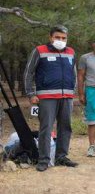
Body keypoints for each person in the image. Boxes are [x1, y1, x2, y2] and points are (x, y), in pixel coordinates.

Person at [24, 25, 78, 171]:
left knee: (65, 127)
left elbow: (73, 74)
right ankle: (43, 159)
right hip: (46, 96)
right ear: (50, 38)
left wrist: (73, 91)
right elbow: (29, 73)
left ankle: (61, 157)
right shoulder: (40, 51)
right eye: (57, 37)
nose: (60, 40)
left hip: (66, 97)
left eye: (63, 38)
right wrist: (30, 94)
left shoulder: (71, 52)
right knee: (46, 128)